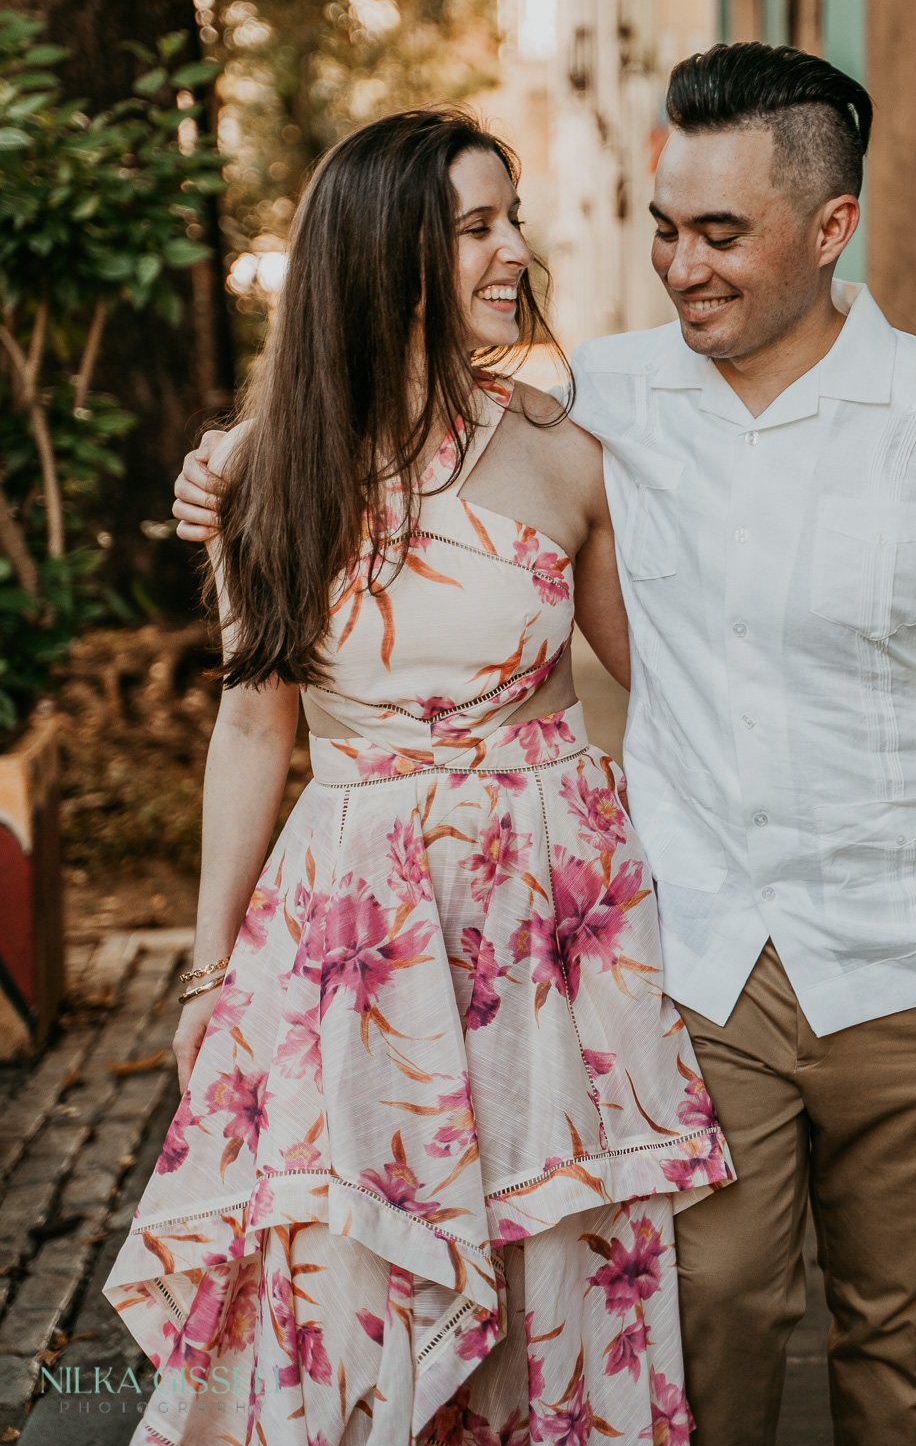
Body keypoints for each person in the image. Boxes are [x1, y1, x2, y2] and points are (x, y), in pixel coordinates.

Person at [174, 44, 916, 1446]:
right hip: (562, 947)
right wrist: (240, 454)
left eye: (719, 232)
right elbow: (356, 492)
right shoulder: (600, 399)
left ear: (829, 231)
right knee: (650, 1307)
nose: (676, 263)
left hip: (773, 951)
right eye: (667, 228)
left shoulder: (911, 432)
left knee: (837, 1345)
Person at [105, 108, 732, 1446]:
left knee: (555, 1252)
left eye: (513, 218)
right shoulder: (262, 474)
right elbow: (253, 728)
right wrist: (213, 978)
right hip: (357, 940)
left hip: (551, 935)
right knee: (350, 1276)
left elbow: (675, 691)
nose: (516, 247)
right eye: (477, 226)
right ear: (386, 257)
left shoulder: (567, 449)